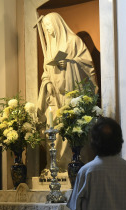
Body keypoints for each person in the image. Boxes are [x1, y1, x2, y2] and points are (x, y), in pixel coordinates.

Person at [37, 12, 98, 171]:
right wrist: (47, 82)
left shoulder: (73, 41)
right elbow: (46, 72)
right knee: (55, 131)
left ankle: (74, 166)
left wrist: (69, 62)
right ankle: (56, 166)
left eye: (49, 26)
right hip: (55, 100)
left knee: (72, 132)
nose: (48, 30)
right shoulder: (50, 46)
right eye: (45, 28)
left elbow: (88, 67)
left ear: (57, 23)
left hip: (71, 97)